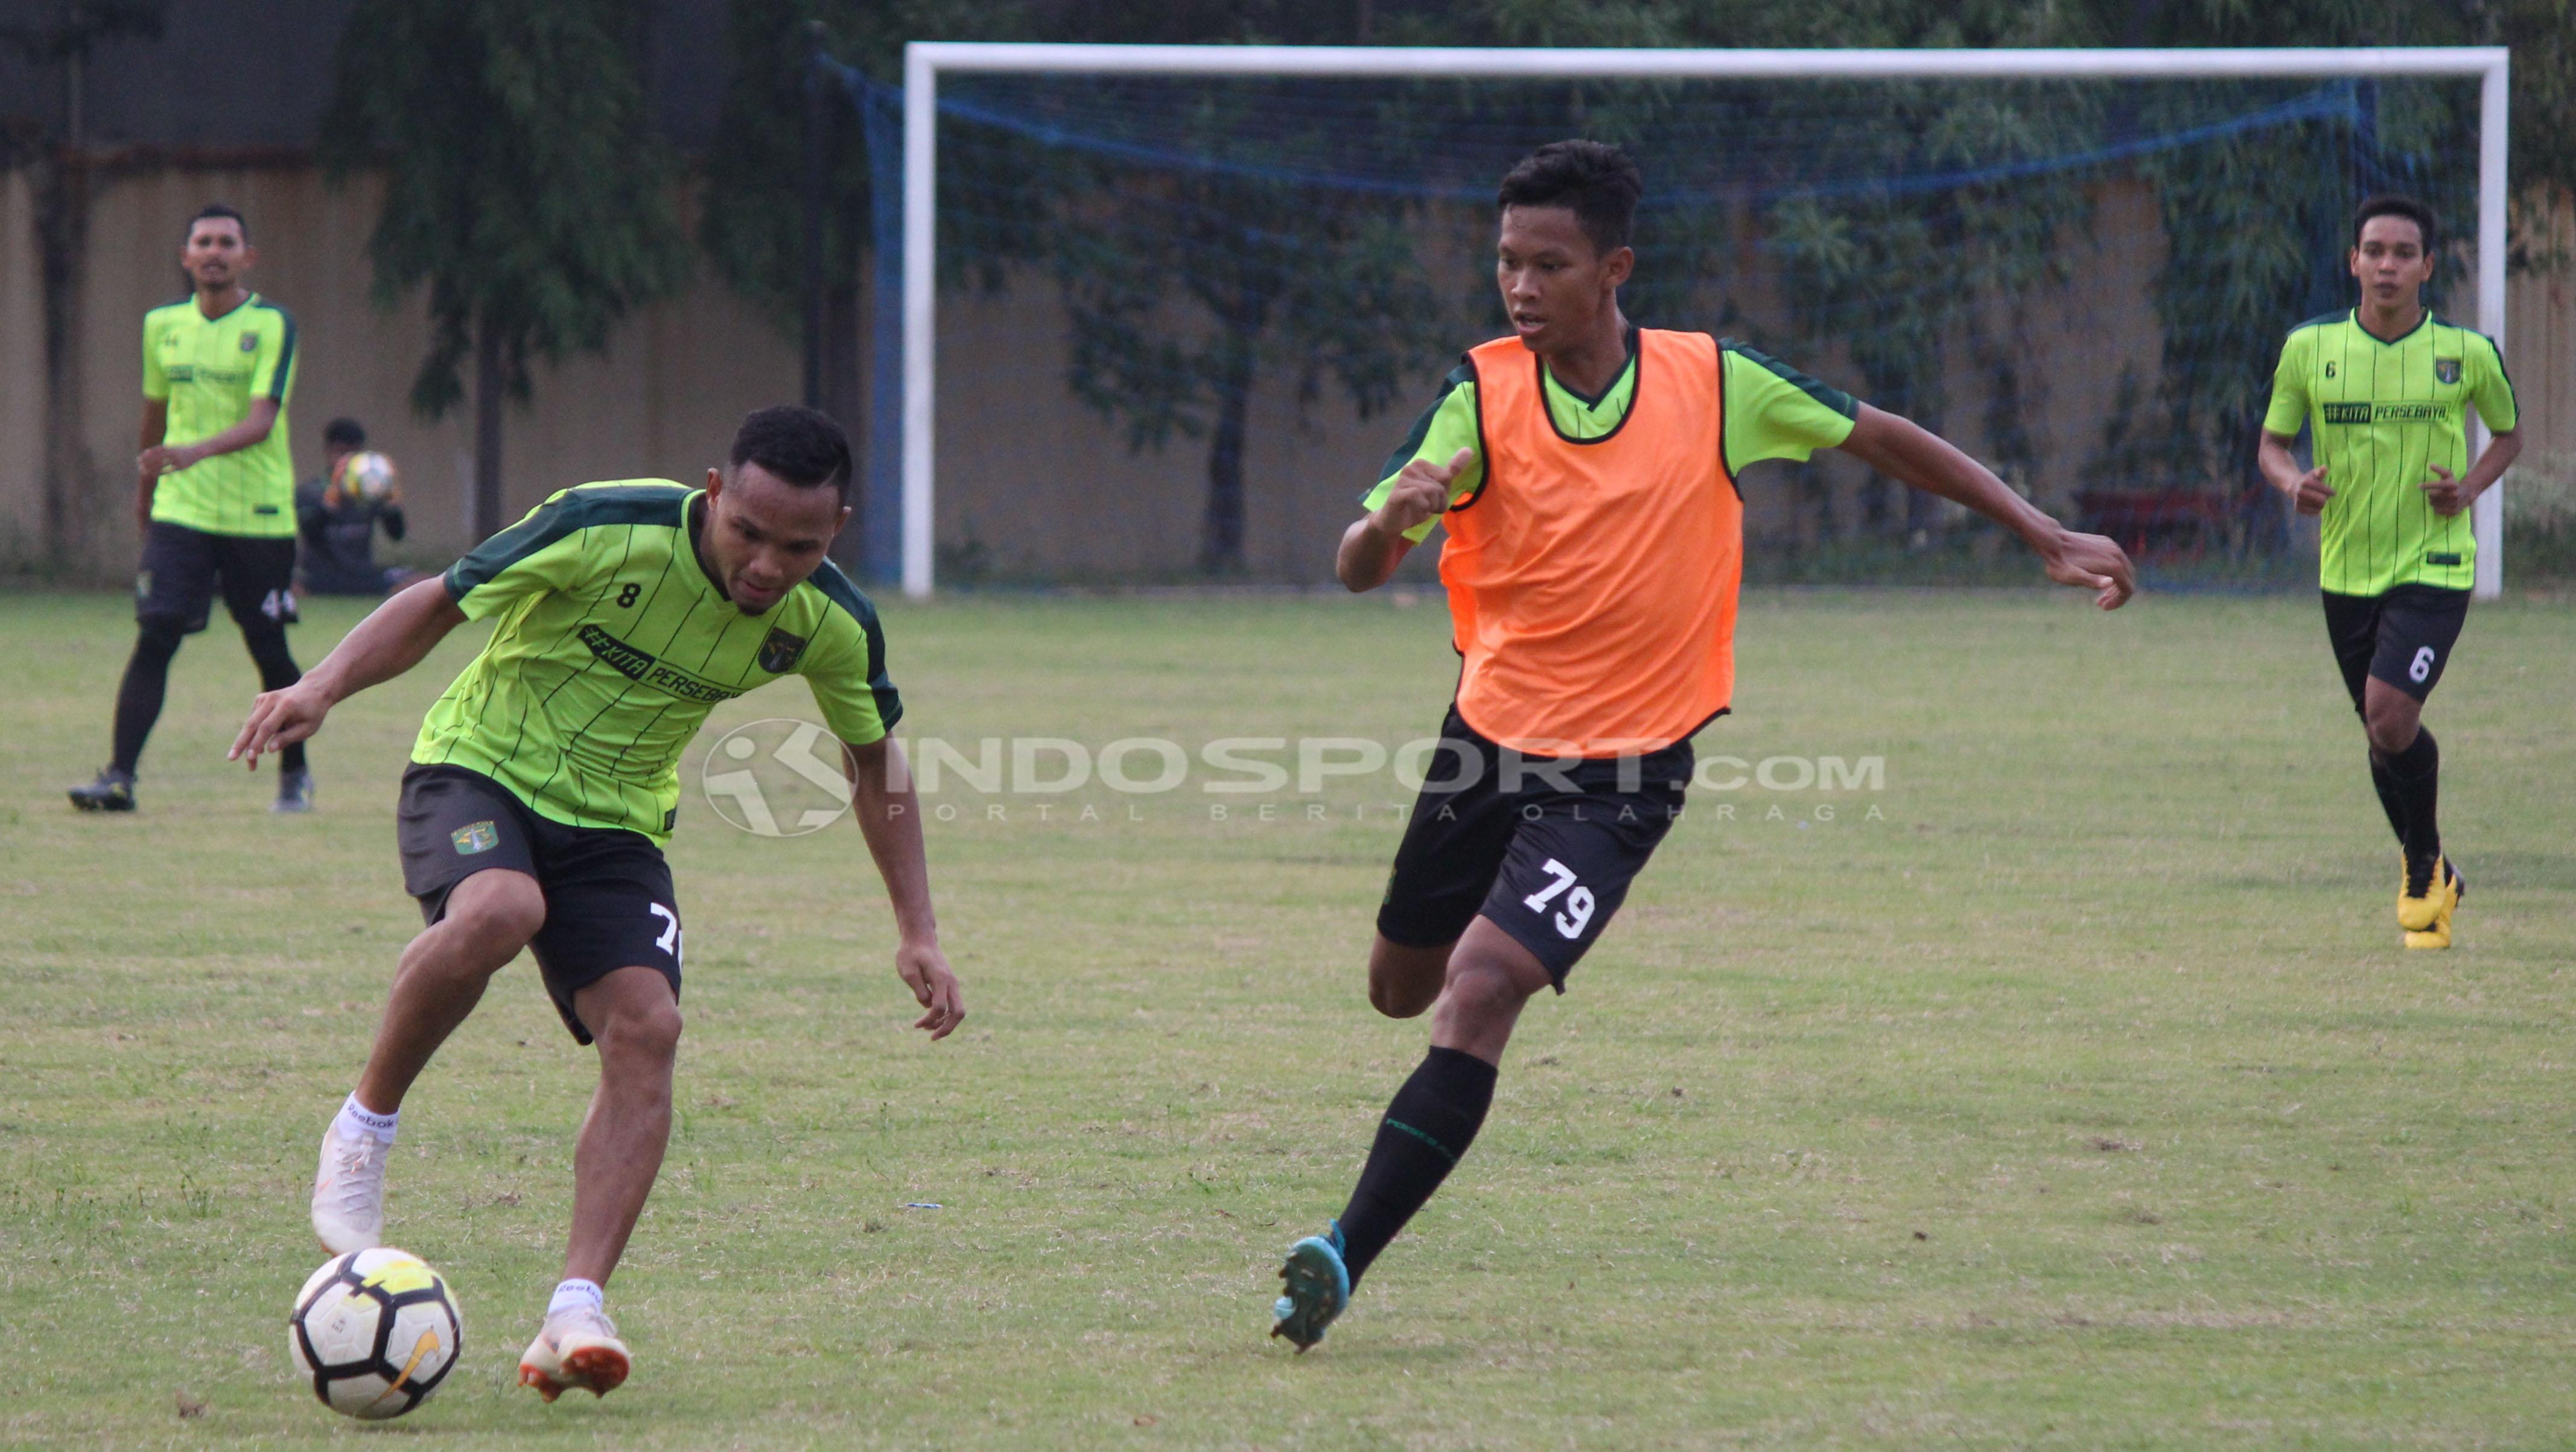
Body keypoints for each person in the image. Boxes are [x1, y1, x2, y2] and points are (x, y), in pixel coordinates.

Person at [1267, 141, 2136, 1351]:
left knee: (1474, 993)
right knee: (1394, 988)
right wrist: (1390, 516)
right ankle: (1373, 1183)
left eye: (1547, 264)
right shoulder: (1477, 396)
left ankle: (1339, 1254)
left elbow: (1877, 437)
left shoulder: (1711, 385)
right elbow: (1360, 570)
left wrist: (2039, 531)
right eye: (1505, 261)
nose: (1519, 286)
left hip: (1621, 772)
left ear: (1613, 267)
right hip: (1484, 745)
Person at [231, 406, 966, 1401]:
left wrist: (916, 928)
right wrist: (322, 684)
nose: (764, 564)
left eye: (799, 545)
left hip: (617, 825)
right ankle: (365, 1125)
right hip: (479, 767)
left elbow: (873, 752)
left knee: (648, 1024)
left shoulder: (828, 620)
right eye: (746, 531)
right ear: (714, 492)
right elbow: (443, 601)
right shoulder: (601, 524)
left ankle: (576, 1305)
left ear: (835, 528)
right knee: (499, 909)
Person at [2257, 195, 2519, 951]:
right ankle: (2439, 876)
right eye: (2375, 251)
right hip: (2346, 569)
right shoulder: (2309, 349)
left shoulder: (2466, 354)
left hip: (2434, 564)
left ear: (2428, 268)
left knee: (2390, 715)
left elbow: (2509, 433)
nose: (2388, 265)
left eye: (2404, 253)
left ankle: (2421, 862)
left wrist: (2468, 488)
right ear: (2354, 263)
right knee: (2382, 737)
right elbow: (2273, 445)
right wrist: (2290, 482)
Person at [71, 203, 311, 814]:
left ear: (246, 257)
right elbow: (154, 414)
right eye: (203, 241)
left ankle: (295, 774)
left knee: (268, 647)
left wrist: (194, 450)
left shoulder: (273, 324)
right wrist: (146, 490)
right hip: (183, 512)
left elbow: (262, 421)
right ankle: (118, 777)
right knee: (155, 636)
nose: (214, 251)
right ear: (185, 257)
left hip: (257, 516)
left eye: (227, 242)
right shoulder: (162, 326)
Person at [297, 416, 419, 596]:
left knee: (422, 583)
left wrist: (392, 502)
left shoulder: (371, 490)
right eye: (342, 454)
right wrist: (332, 501)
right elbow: (310, 533)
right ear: (328, 452)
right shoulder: (311, 491)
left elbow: (397, 535)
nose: (348, 461)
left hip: (363, 575)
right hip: (322, 576)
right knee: (288, 583)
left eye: (355, 454)